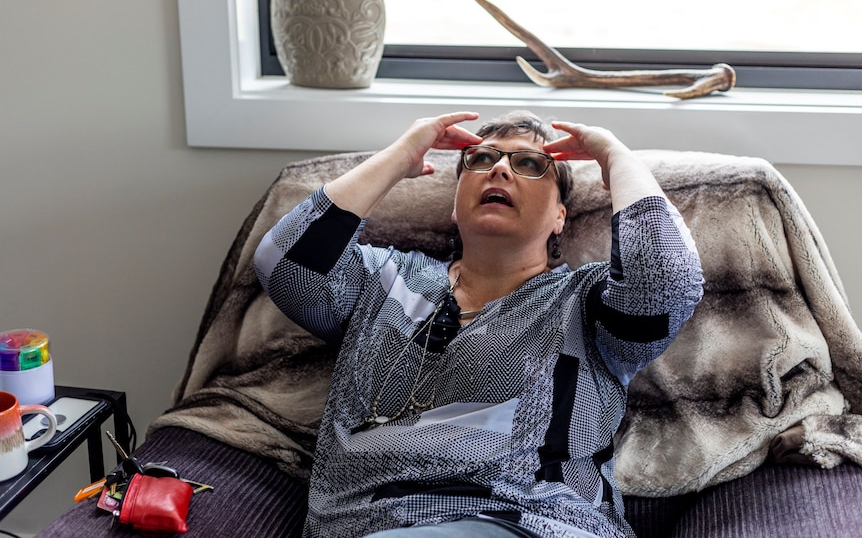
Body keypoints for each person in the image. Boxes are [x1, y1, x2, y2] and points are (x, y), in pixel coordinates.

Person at [254, 111, 704, 538]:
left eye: (530, 164)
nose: (500, 171)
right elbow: (282, 265)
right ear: (455, 208)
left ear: (559, 218)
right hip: (363, 522)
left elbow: (666, 283)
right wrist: (401, 155)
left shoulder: (586, 304)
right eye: (482, 159)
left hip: (535, 521)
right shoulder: (383, 279)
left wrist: (616, 157)